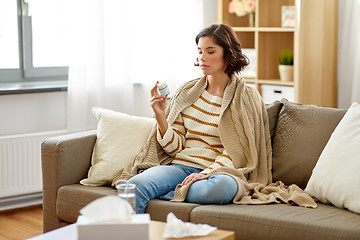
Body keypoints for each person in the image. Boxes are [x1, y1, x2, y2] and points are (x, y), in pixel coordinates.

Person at [122, 23, 316, 214]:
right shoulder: (187, 91)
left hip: (219, 174)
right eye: (199, 51)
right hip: (181, 167)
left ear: (228, 54)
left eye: (210, 51)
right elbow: (174, 148)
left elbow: (239, 151)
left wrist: (206, 173)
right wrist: (160, 115)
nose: (202, 58)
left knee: (219, 189)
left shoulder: (246, 97)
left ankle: (167, 192)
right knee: (135, 184)